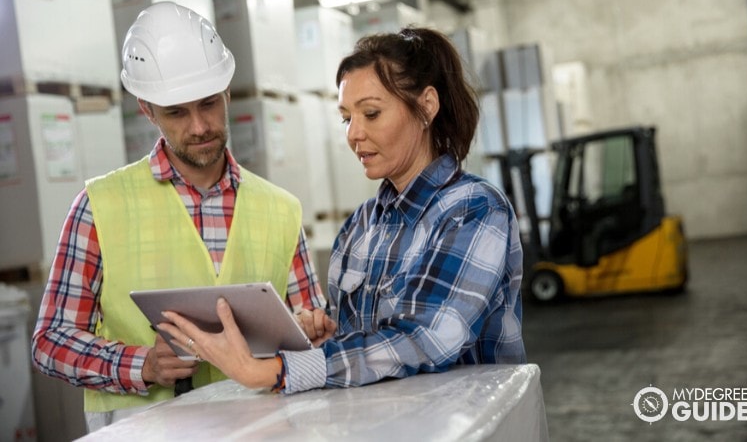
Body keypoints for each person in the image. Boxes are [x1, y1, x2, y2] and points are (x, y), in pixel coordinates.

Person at [158, 27, 526, 394]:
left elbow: (427, 338)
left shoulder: (473, 209)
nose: (353, 134)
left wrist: (277, 371)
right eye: (346, 118)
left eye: (371, 113)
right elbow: (362, 348)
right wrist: (321, 334)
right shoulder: (360, 226)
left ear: (427, 106)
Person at [30, 1, 326, 431]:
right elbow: (50, 341)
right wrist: (142, 364)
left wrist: (313, 329)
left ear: (226, 92)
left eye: (208, 104)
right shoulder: (98, 206)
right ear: (147, 110)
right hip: (143, 430)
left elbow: (310, 325)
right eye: (177, 112)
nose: (200, 125)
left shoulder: (280, 208)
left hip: (259, 424)